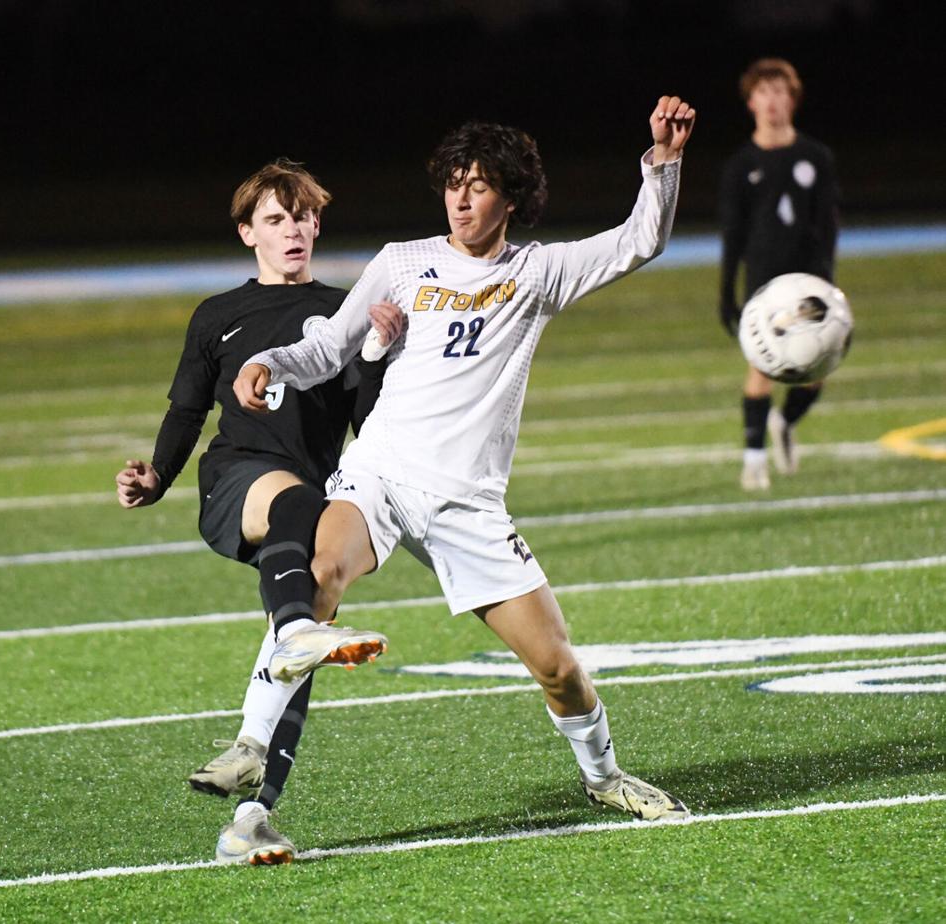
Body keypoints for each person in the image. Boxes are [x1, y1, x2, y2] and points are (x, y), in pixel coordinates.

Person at [232, 97, 696, 822]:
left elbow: (640, 240)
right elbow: (329, 347)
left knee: (557, 667)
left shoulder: (539, 272)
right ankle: (250, 749)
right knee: (319, 578)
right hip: (379, 473)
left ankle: (604, 778)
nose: (460, 197)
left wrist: (662, 163)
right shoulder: (402, 262)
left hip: (466, 501)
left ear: (510, 196)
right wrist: (272, 360)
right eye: (453, 181)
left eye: (478, 185)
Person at [115, 159, 402, 865]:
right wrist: (157, 475)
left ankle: (250, 815)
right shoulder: (217, 314)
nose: (293, 229)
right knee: (301, 544)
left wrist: (375, 350)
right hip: (236, 483)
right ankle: (298, 629)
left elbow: (367, 424)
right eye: (276, 219)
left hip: (306, 503)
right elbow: (186, 410)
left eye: (303, 216)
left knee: (302, 635)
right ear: (249, 232)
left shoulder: (345, 314)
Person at [718, 58, 840, 490]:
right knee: (762, 367)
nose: (772, 101)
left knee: (817, 368)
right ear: (751, 102)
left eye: (780, 92)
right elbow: (732, 235)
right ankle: (753, 459)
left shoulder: (816, 157)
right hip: (764, 282)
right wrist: (726, 293)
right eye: (764, 93)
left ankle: (785, 423)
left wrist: (829, 279)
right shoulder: (740, 167)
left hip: (808, 278)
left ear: (793, 99)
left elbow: (827, 225)